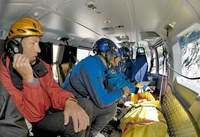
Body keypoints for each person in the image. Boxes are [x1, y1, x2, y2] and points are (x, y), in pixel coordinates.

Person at [0, 17, 90, 137]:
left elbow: (53, 89)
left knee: (85, 105)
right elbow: (35, 115)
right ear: (15, 47)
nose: (38, 50)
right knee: (73, 123)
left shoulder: (40, 64)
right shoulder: (4, 74)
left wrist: (69, 101)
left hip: (49, 109)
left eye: (38, 43)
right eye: (33, 43)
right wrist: (29, 80)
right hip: (36, 121)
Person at [62, 38, 138, 136]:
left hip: (78, 99)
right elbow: (102, 102)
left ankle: (90, 133)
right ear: (109, 54)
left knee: (111, 105)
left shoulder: (98, 65)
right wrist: (122, 92)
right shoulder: (91, 66)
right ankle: (89, 134)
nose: (115, 64)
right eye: (115, 58)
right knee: (110, 108)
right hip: (68, 103)